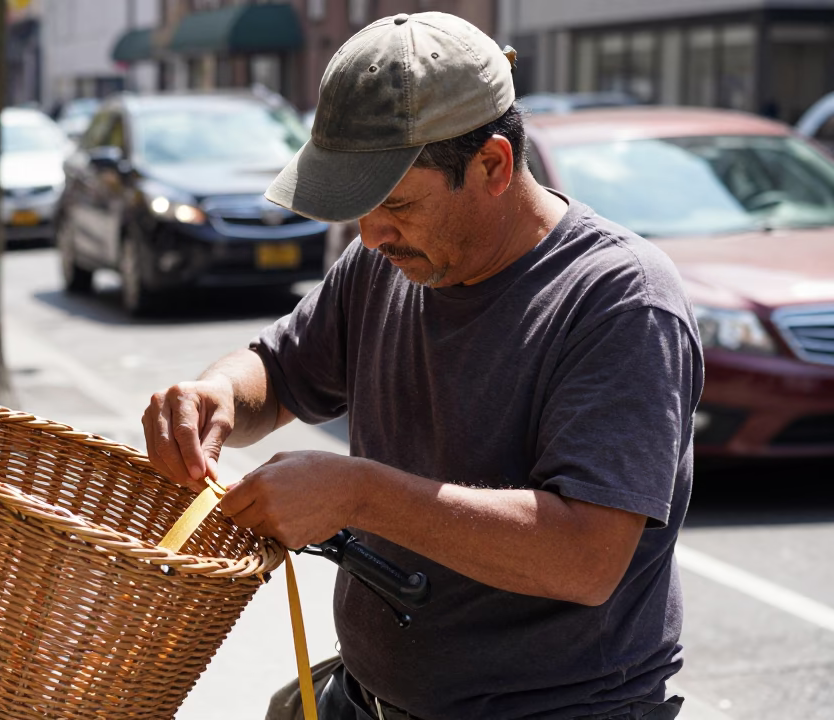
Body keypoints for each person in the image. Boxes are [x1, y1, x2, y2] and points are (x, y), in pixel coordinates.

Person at [142, 13, 699, 720]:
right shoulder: (386, 265)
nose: (371, 235)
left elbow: (585, 559)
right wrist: (217, 393)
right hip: (373, 696)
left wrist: (358, 495)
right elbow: (277, 370)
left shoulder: (619, 301)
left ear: (493, 165)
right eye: (358, 210)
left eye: (397, 204)